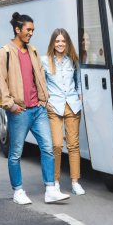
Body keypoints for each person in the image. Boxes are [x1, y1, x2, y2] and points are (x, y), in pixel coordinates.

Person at [0, 12, 70, 205]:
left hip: (38, 109)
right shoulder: (5, 53)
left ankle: (50, 189)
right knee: (15, 154)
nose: (31, 33)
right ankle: (18, 191)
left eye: (33, 30)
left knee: (48, 149)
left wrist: (44, 100)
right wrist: (11, 105)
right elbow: (0, 82)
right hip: (20, 111)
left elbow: (39, 78)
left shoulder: (33, 51)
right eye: (28, 30)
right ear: (18, 30)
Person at [41, 28, 85, 196]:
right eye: (57, 41)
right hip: (54, 107)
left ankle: (75, 182)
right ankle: (55, 182)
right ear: (53, 43)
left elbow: (78, 79)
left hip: (72, 105)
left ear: (67, 43)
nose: (60, 44)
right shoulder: (45, 61)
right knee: (57, 145)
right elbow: (40, 83)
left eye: (63, 41)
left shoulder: (73, 60)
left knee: (73, 145)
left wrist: (80, 96)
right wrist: (44, 101)